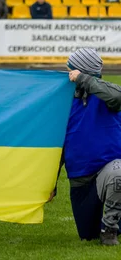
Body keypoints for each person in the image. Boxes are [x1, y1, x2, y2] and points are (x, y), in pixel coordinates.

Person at [51, 48, 121, 246]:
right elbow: (58, 147)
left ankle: (109, 231)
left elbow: (118, 97)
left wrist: (85, 80)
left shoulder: (108, 96)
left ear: (80, 72)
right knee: (87, 234)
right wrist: (51, 182)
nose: (67, 74)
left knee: (119, 173)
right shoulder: (63, 103)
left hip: (109, 170)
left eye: (70, 70)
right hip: (80, 180)